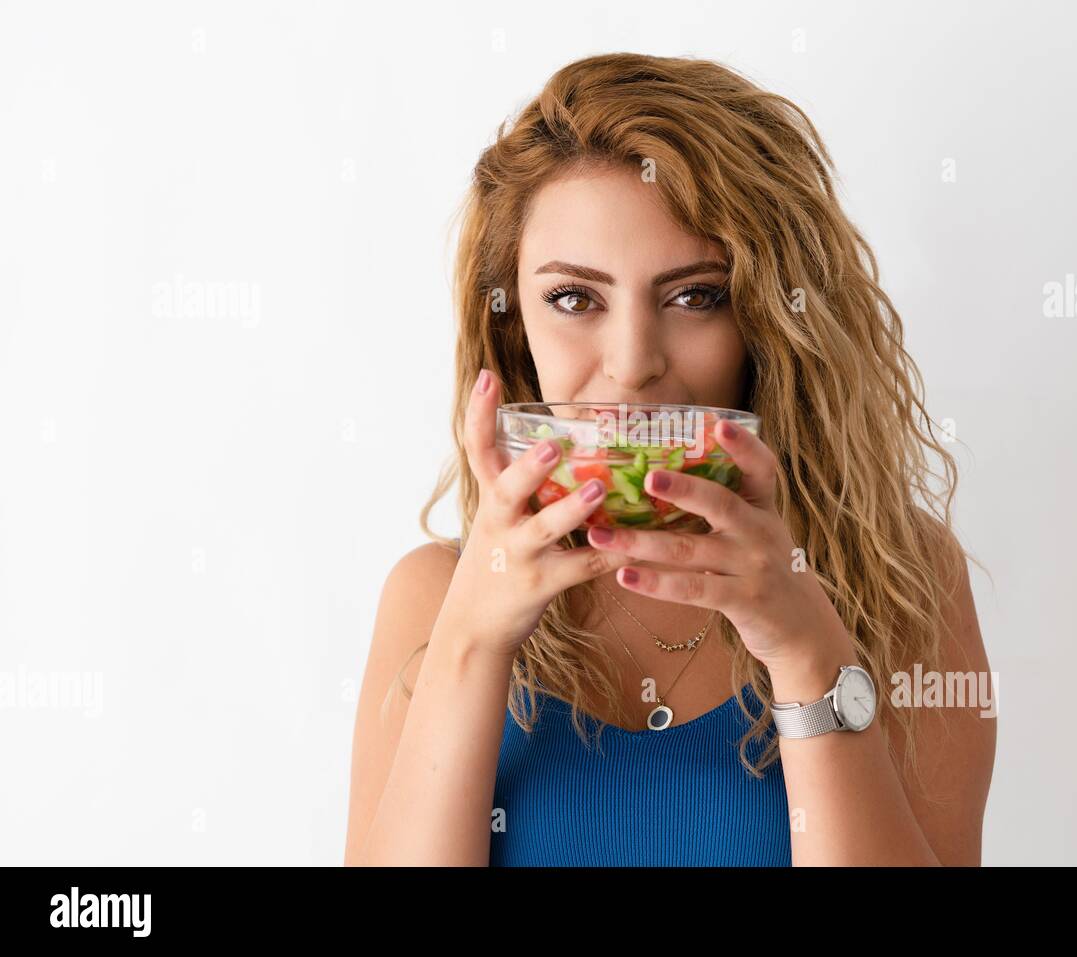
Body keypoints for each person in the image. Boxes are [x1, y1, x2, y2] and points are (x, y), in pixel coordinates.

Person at [344, 52, 995, 866]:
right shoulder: (432, 597)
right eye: (575, 299)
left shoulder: (903, 578)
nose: (631, 363)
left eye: (695, 296)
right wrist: (473, 641)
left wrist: (805, 651)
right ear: (515, 327)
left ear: (770, 323)